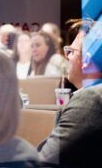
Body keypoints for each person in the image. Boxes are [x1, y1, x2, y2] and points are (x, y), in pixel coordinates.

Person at [38, 19, 102, 167]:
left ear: (86, 59)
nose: (67, 56)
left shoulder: (90, 99)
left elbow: (44, 161)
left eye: (71, 52)